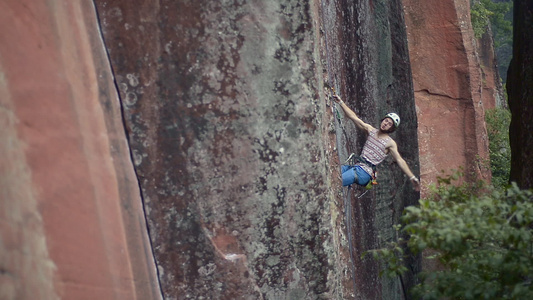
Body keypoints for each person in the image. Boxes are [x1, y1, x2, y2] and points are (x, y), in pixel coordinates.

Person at [333, 95, 420, 191]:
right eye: (386, 121)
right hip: (357, 166)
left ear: (392, 129)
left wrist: (412, 177)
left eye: (389, 124)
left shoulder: (390, 143)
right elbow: (354, 117)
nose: (386, 124)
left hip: (365, 172)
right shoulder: (371, 130)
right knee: (333, 173)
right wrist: (340, 102)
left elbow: (400, 160)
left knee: (336, 181)